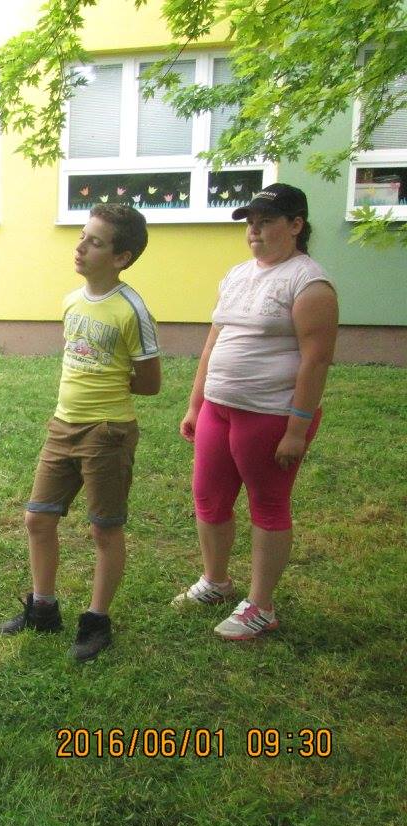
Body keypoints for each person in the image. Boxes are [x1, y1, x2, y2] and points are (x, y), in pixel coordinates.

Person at [172, 183, 338, 640]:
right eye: (250, 223)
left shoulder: (309, 283)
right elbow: (214, 343)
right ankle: (216, 581)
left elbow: (316, 360)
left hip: (270, 415)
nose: (254, 232)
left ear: (296, 225)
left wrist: (297, 429)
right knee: (208, 497)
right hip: (219, 409)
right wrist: (196, 403)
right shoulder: (237, 275)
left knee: (267, 504)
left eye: (265, 222)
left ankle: (261, 606)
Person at [0, 204, 161, 661]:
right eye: (82, 236)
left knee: (104, 530)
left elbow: (150, 383)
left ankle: (96, 621)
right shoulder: (72, 301)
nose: (81, 247)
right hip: (62, 425)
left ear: (121, 257)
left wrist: (108, 385)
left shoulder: (131, 309)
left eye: (95, 242)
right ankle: (43, 609)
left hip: (107, 432)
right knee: (38, 519)